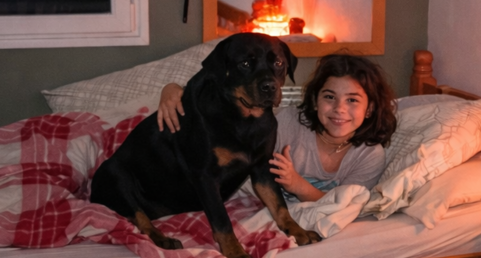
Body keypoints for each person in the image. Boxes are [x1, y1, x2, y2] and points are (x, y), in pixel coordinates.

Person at [156, 53, 397, 202]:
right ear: (315, 101)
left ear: (370, 109)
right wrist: (173, 90)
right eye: (329, 97)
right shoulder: (289, 123)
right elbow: (226, 120)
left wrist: (297, 185)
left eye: (352, 100)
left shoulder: (368, 155)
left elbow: (343, 206)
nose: (339, 109)